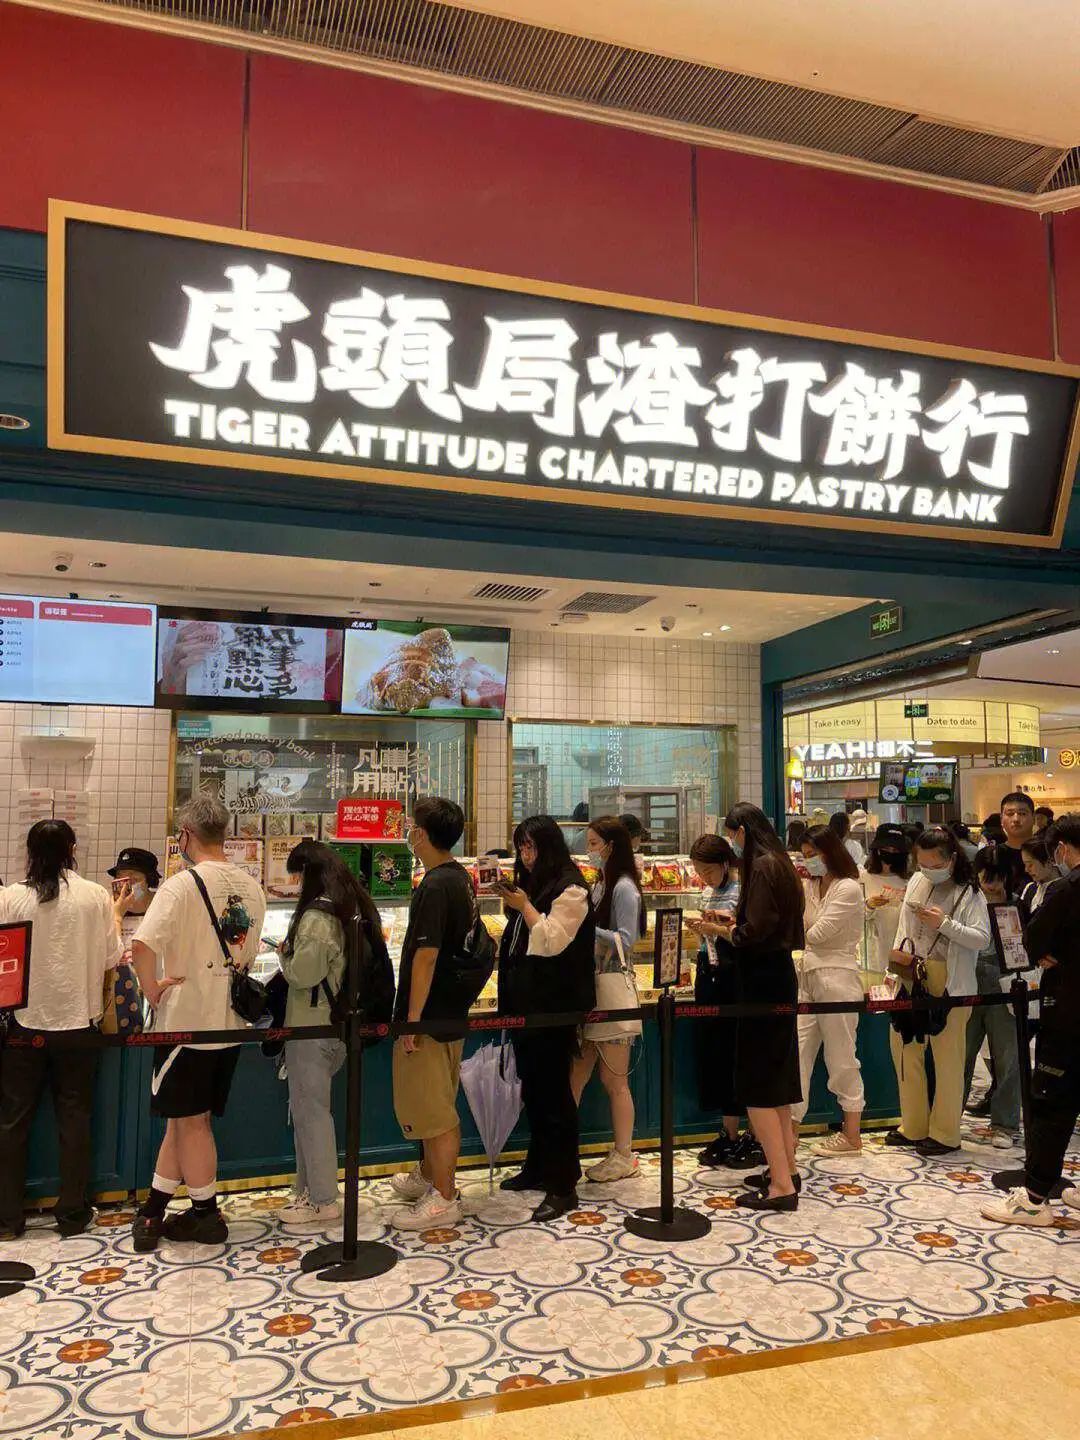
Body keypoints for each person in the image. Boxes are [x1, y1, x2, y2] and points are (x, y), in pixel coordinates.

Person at [130, 796, 266, 1251]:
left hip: (185, 1022)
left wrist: (152, 988)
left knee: (190, 1123)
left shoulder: (181, 886)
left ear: (185, 836)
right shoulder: (252, 886)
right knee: (186, 1119)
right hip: (229, 1023)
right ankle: (154, 1209)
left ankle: (207, 1215)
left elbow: (142, 946)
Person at [0, 822, 122, 1241]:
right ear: (72, 848)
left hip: (23, 1025)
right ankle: (71, 1213)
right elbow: (112, 958)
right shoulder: (95, 897)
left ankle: (8, 1219)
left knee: (13, 1122)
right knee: (75, 1119)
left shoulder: (11, 898)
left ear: (29, 851)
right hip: (78, 1025)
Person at [277, 841, 388, 1225]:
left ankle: (323, 1200)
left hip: (311, 1027)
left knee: (311, 1114)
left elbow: (303, 974)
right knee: (310, 1112)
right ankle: (306, 1191)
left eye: (297, 875)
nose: (295, 884)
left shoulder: (315, 917)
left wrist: (284, 954)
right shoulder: (349, 904)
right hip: (337, 1026)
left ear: (309, 874)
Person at [982, 815, 1080, 1226]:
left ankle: (1035, 1198)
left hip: (1069, 1014)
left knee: (1052, 1104)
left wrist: (1053, 952)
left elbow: (1032, 940)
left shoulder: (1066, 889)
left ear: (1062, 849)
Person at [498, 815, 596, 1222]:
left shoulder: (572, 887)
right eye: (521, 847)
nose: (526, 855)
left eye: (531, 847)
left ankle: (563, 1184)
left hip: (555, 1006)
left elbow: (553, 939)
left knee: (554, 1094)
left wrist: (524, 906)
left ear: (549, 846)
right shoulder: (537, 883)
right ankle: (538, 1166)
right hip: (528, 1005)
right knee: (534, 1090)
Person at [712, 803, 805, 1211]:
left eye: (732, 834)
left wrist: (726, 930)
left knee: (758, 1088)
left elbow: (757, 929)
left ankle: (781, 1186)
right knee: (776, 1083)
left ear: (743, 832)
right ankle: (786, 1170)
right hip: (778, 975)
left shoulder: (763, 866)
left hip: (762, 981)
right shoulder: (780, 863)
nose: (731, 842)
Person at [389, 797, 475, 1230]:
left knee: (436, 1112)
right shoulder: (459, 878)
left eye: (411, 826)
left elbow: (426, 957)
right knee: (436, 1103)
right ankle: (432, 1180)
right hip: (451, 1011)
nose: (408, 831)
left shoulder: (436, 885)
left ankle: (444, 1198)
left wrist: (413, 1019)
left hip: (430, 1016)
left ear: (421, 834)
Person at [885, 827, 990, 1156]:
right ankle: (913, 1124)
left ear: (952, 859)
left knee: (948, 1058)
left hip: (950, 979)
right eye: (922, 864)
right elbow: (904, 925)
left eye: (935, 865)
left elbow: (981, 938)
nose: (929, 870)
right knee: (905, 1047)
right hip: (911, 971)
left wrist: (944, 924)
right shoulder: (918, 881)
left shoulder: (969, 891)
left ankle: (945, 1133)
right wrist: (895, 964)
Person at [572, 816, 645, 1183]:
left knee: (614, 1079)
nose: (589, 851)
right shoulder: (601, 883)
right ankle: (562, 1149)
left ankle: (624, 1154)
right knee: (576, 1074)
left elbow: (627, 940)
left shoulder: (625, 888)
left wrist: (585, 927)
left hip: (612, 992)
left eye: (594, 844)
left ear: (611, 846)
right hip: (591, 990)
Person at [687, 835, 762, 1170]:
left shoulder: (742, 891)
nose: (704, 877)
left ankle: (754, 1136)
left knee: (738, 1057)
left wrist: (716, 927)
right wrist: (702, 929)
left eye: (708, 871)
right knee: (716, 1056)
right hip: (709, 974)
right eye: (699, 871)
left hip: (734, 980)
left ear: (724, 863)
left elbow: (744, 935)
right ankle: (729, 1133)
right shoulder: (709, 892)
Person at [792, 824, 866, 1156]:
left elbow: (818, 933)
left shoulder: (848, 887)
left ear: (830, 852)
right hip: (807, 975)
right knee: (798, 1055)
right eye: (805, 855)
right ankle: (790, 1131)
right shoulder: (811, 885)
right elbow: (806, 929)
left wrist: (795, 927)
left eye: (813, 855)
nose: (809, 861)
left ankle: (852, 1135)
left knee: (841, 1058)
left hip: (838, 977)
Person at [961, 847, 1021, 1150]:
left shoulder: (1018, 906)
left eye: (997, 877)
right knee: (961, 1054)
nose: (990, 884)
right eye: (985, 877)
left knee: (1008, 1057)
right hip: (968, 983)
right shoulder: (967, 902)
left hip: (1005, 986)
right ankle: (948, 1115)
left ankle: (1005, 1123)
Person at [108, 846, 161, 1032]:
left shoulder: (161, 907)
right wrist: (116, 915)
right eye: (120, 879)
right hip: (119, 1000)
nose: (126, 887)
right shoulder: (108, 910)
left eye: (134, 880)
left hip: (156, 995)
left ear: (149, 881)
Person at [862, 825, 911, 974]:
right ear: (877, 850)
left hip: (901, 948)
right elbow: (854, 917)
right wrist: (869, 905)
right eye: (887, 849)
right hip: (874, 950)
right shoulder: (863, 879)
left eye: (896, 850)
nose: (891, 853)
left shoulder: (909, 881)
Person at [989, 792, 1036, 899]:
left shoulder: (1046, 851)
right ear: (1001, 819)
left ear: (1033, 818)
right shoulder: (993, 855)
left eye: (1022, 814)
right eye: (1010, 814)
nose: (1016, 819)